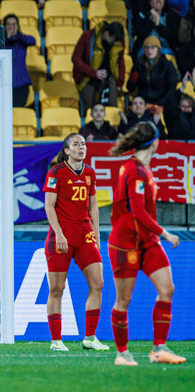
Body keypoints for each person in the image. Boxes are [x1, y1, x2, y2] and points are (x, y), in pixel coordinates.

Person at [107, 121, 187, 366]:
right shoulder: (135, 170)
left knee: (167, 289)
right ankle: (122, 353)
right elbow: (138, 212)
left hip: (147, 242)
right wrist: (167, 233)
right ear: (155, 142)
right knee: (124, 301)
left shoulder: (143, 170)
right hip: (125, 244)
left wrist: (155, 236)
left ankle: (158, 349)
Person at [42, 134, 108, 352]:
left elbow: (93, 206)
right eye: (76, 144)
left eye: (83, 144)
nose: (81, 147)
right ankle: (56, 341)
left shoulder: (90, 173)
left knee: (98, 283)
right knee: (57, 289)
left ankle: (90, 337)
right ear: (67, 150)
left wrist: (97, 235)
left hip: (84, 233)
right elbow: (49, 206)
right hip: (61, 235)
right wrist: (59, 233)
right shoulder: (56, 172)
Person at [127, 36, 180, 130]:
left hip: (162, 101)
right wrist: (132, 80)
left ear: (158, 49)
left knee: (172, 108)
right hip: (144, 101)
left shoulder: (167, 64)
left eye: (153, 47)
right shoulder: (139, 63)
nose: (149, 50)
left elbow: (171, 88)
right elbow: (130, 88)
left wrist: (160, 103)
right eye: (147, 47)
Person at [72, 21, 126, 110]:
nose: (116, 44)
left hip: (109, 76)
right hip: (88, 76)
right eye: (114, 40)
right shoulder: (88, 37)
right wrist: (94, 73)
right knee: (90, 109)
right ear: (107, 33)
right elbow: (75, 59)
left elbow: (121, 61)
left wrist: (120, 82)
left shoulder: (119, 40)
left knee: (113, 106)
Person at [4, 14, 36, 108]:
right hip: (5, 84)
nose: (11, 27)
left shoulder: (21, 41)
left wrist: (17, 35)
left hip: (21, 84)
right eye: (8, 25)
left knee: (18, 111)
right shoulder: (1, 42)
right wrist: (7, 38)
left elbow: (32, 41)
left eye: (14, 25)